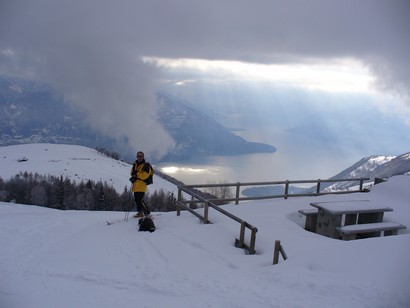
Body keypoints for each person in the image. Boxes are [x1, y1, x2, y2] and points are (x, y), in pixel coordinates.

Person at [130, 151, 151, 218]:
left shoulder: (146, 165)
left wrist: (136, 175)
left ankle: (147, 213)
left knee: (140, 200)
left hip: (142, 185)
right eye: (138, 156)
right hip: (135, 185)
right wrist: (133, 177)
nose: (139, 157)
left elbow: (145, 175)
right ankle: (140, 213)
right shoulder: (135, 164)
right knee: (137, 200)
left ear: (143, 157)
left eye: (141, 156)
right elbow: (132, 173)